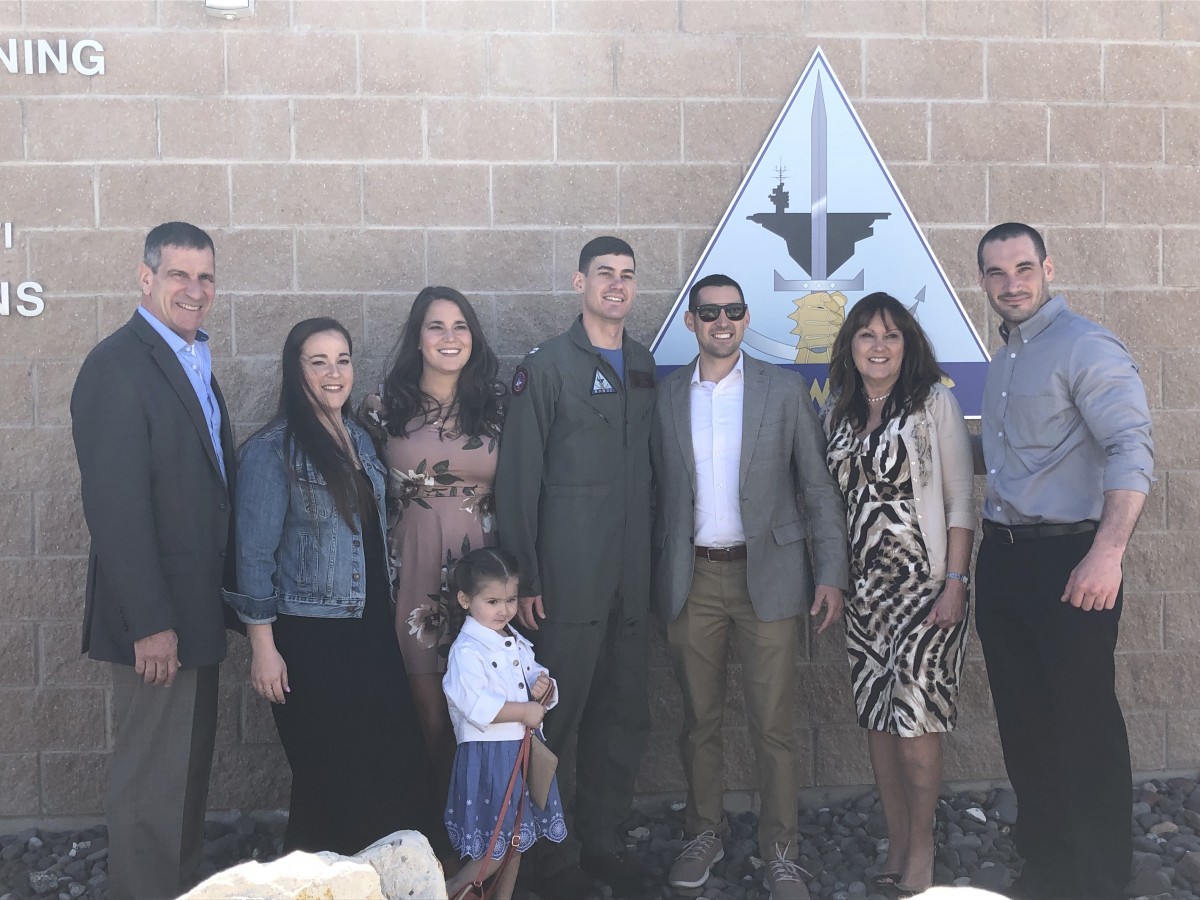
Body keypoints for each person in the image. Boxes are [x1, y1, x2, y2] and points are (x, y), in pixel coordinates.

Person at [652, 274, 848, 900]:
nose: (722, 321)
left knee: (773, 725)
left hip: (770, 576)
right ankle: (703, 831)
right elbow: (653, 492)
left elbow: (817, 488)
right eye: (709, 312)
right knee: (698, 721)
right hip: (693, 577)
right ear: (692, 322)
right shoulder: (664, 397)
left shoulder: (782, 391)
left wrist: (829, 572)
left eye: (733, 311)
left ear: (744, 317)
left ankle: (781, 850)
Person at [974, 223, 1153, 900]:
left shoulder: (1085, 345)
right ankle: (1046, 866)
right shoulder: (1008, 358)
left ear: (1048, 268)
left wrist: (1107, 555)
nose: (1011, 283)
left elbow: (1132, 449)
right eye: (996, 272)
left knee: (1083, 725)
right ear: (984, 281)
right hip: (1007, 561)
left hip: (1073, 562)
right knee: (1025, 722)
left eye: (1023, 268)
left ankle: (1101, 880)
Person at [223, 317, 435, 855]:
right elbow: (251, 556)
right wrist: (263, 649)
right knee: (328, 779)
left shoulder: (361, 441)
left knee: (388, 767)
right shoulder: (271, 452)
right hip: (310, 640)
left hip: (369, 631)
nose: (333, 372)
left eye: (341, 359)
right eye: (318, 361)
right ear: (296, 372)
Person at [70, 222, 235, 900]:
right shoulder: (116, 366)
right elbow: (116, 509)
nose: (193, 290)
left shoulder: (194, 358)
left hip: (196, 611)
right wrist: (150, 622)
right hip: (158, 621)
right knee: (150, 782)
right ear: (145, 278)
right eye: (178, 275)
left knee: (185, 779)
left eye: (205, 278)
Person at [494, 235, 655, 898]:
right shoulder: (549, 366)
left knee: (623, 718)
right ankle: (548, 861)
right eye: (603, 274)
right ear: (578, 282)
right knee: (554, 722)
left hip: (631, 584)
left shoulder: (643, 363)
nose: (615, 285)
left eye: (626, 276)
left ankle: (603, 841)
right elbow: (520, 478)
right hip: (566, 585)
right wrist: (526, 576)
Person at [822, 292, 976, 895]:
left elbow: (962, 500)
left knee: (916, 727)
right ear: (851, 347)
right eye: (866, 335)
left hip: (925, 593)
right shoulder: (839, 412)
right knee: (879, 725)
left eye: (890, 334)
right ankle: (895, 839)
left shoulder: (933, 404)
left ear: (907, 344)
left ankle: (923, 849)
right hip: (864, 598)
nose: (878, 346)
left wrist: (956, 583)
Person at [359, 286, 505, 809]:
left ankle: (477, 826)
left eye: (460, 326)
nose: (449, 337)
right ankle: (431, 822)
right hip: (412, 571)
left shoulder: (497, 405)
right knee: (427, 708)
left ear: (473, 338)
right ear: (417, 339)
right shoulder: (382, 407)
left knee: (479, 703)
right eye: (436, 326)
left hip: (481, 572)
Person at [442, 548, 568, 900]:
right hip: (490, 759)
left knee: (517, 839)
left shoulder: (513, 641)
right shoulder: (467, 651)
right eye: (493, 601)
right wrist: (524, 711)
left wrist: (544, 688)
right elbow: (475, 705)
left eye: (511, 599)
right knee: (499, 842)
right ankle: (453, 890)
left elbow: (534, 675)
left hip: (520, 753)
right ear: (465, 599)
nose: (504, 610)